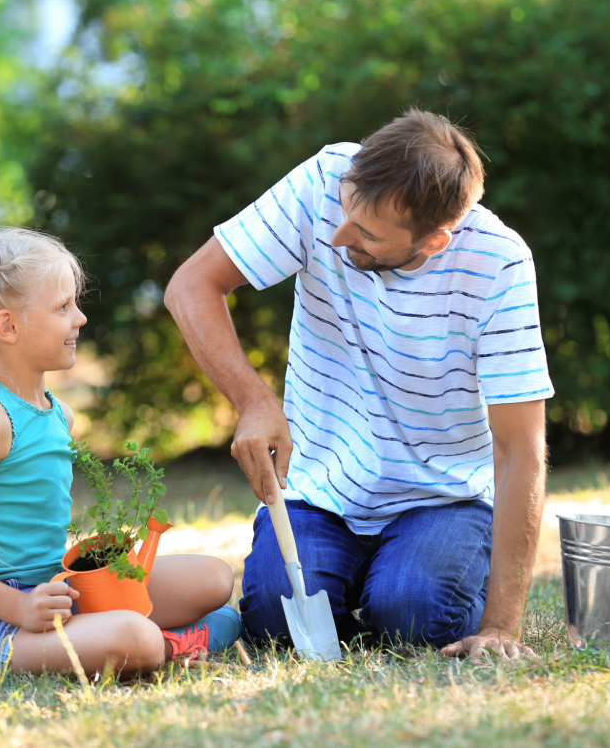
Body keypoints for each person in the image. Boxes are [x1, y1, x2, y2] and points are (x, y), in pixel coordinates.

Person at [165, 109, 552, 660]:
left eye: (367, 233)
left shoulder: (500, 265)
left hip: (442, 500)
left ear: (434, 242)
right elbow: (191, 286)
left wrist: (500, 627)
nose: (339, 234)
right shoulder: (324, 179)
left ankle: (394, 587)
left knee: (415, 617)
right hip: (319, 490)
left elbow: (520, 450)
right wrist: (253, 402)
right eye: (346, 211)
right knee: (276, 624)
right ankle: (358, 589)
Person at [0, 227, 240, 677]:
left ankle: (147, 635)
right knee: (136, 637)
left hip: (56, 595)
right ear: (8, 326)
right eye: (63, 307)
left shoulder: (57, 414)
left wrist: (88, 576)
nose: (80, 318)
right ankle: (159, 644)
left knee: (215, 580)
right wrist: (19, 606)